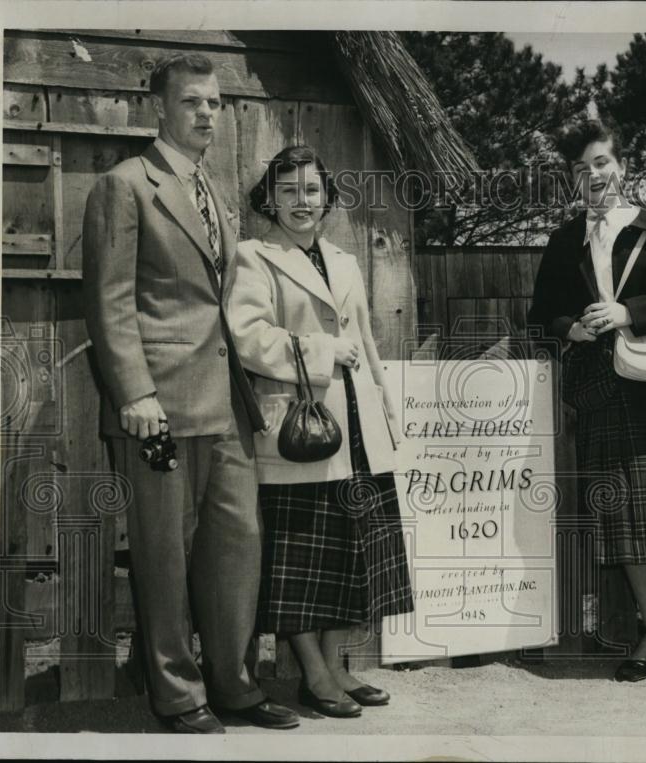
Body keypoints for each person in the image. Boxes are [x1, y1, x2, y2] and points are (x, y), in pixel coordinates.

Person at [82, 54, 298, 732]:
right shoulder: (125, 185)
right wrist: (135, 393)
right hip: (160, 407)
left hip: (225, 404)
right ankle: (177, 692)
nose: (207, 113)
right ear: (160, 110)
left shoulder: (214, 189)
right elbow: (109, 301)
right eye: (192, 102)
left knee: (239, 544)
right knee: (163, 553)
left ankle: (232, 681)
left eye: (214, 103)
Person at [528, 120, 646, 686]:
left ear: (624, 168)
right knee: (626, 517)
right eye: (581, 168)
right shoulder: (565, 242)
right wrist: (574, 330)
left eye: (603, 163)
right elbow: (541, 317)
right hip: (602, 393)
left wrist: (629, 312)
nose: (594, 176)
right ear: (572, 178)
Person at [227, 145, 413, 718]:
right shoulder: (254, 257)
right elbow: (246, 336)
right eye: (288, 191)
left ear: (328, 196)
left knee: (348, 558)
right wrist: (320, 350)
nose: (301, 201)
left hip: (357, 429)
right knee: (301, 563)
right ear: (271, 199)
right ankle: (313, 675)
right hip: (298, 431)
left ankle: (335, 668)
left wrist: (386, 412)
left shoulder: (345, 259)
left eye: (311, 189)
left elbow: (370, 345)